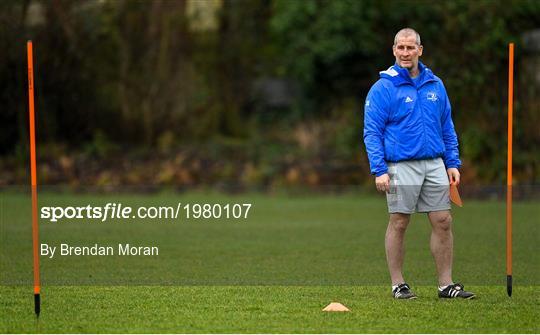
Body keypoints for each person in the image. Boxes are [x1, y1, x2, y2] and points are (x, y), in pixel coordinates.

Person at [363, 28, 475, 300]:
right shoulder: (383, 87)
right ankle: (398, 284)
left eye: (410, 48)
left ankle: (446, 285)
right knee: (400, 222)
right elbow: (372, 131)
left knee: (443, 221)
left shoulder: (435, 84)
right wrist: (379, 169)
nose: (405, 52)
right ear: (393, 50)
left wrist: (453, 162)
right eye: (400, 47)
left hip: (435, 163)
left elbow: (446, 126)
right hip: (401, 165)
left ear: (420, 50)